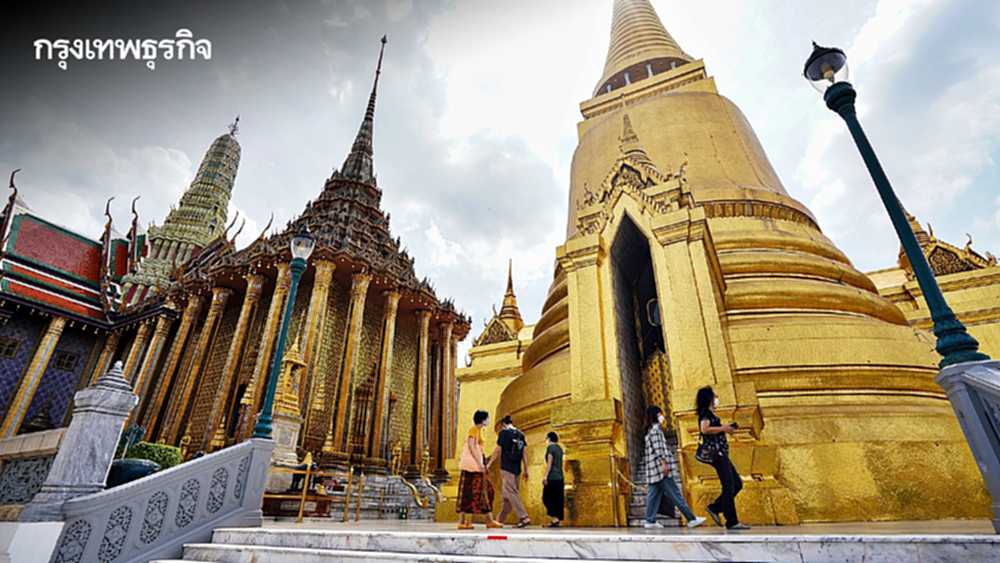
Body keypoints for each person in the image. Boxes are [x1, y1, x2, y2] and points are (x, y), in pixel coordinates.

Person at [640, 405, 706, 529]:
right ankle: (691, 518)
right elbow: (659, 449)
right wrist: (664, 464)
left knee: (653, 495)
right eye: (659, 414)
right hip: (660, 469)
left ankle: (650, 520)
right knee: (675, 494)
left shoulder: (649, 431)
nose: (662, 417)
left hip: (653, 469)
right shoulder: (656, 430)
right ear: (654, 416)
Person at [697, 386, 749, 530]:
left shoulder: (712, 414)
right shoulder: (706, 412)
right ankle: (731, 520)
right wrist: (723, 428)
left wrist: (726, 430)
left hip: (721, 453)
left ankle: (715, 507)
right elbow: (704, 429)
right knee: (728, 485)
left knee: (736, 483)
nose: (716, 398)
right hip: (717, 454)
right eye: (714, 396)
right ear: (709, 398)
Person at [457, 409, 502, 530]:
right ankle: (466, 521)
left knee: (480, 490)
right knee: (476, 490)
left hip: (475, 465)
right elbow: (471, 446)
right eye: (487, 418)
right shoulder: (473, 429)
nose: (488, 420)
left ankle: (486, 520)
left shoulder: (478, 431)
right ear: (482, 419)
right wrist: (479, 462)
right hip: (473, 465)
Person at [487, 414, 531, 528]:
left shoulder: (503, 433)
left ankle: (524, 517)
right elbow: (524, 453)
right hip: (517, 468)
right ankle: (500, 519)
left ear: (503, 424)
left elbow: (497, 450)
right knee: (507, 496)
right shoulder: (521, 434)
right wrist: (526, 469)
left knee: (511, 493)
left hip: (507, 467)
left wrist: (489, 465)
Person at [541, 431, 564, 527]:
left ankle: (555, 518)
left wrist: (545, 476)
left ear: (549, 439)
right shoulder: (559, 448)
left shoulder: (550, 448)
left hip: (552, 476)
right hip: (560, 476)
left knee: (547, 498)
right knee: (558, 499)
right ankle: (558, 519)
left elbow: (549, 463)